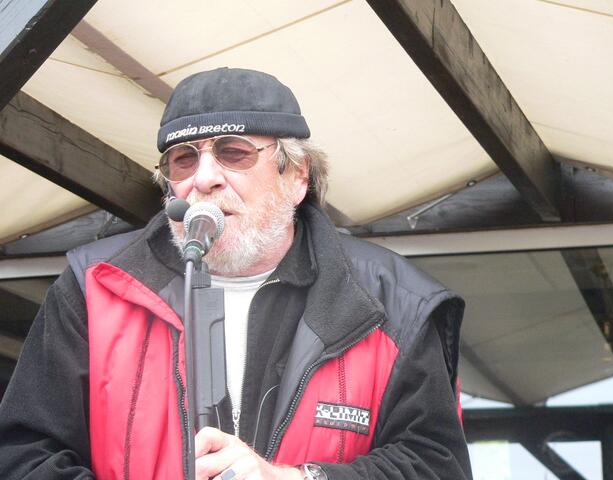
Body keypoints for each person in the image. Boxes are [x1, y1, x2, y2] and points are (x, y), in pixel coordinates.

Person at [0, 67, 473, 479]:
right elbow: (25, 455)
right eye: (184, 159)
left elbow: (435, 465)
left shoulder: (394, 303)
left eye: (234, 152)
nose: (204, 178)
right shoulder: (94, 285)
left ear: (297, 176)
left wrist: (295, 479)